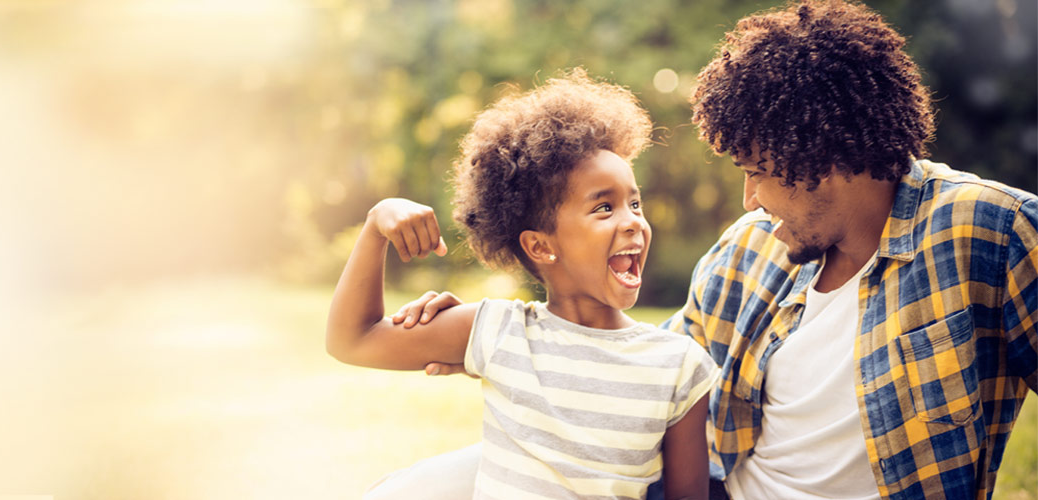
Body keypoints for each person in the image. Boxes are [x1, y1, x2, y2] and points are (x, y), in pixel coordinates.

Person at [396, 1, 1038, 499]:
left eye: (759, 170)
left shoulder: (989, 232)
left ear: (829, 155)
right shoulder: (749, 252)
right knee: (417, 490)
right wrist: (503, 340)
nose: (749, 199)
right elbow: (645, 363)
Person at [326, 69, 718, 500]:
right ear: (540, 246)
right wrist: (375, 224)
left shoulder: (680, 365)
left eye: (635, 202)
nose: (633, 222)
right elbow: (352, 340)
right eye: (604, 207)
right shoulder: (498, 330)